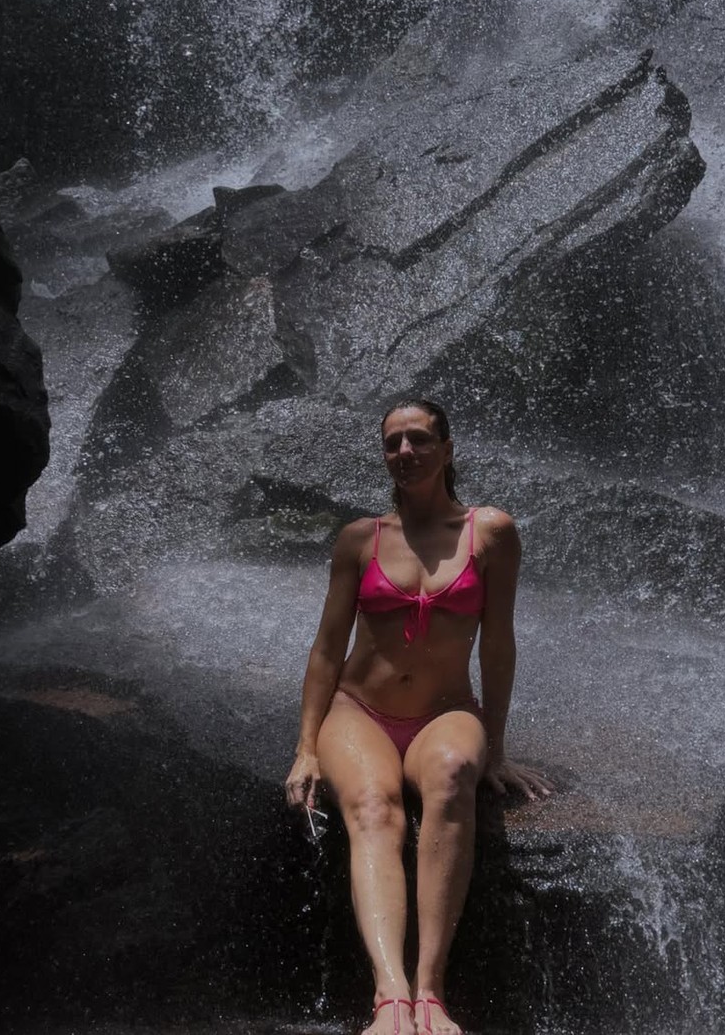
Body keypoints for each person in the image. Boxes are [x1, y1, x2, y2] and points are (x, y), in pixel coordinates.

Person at [285, 398, 550, 1035]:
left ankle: (431, 991)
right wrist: (305, 747)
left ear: (447, 448)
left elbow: (499, 642)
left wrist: (499, 747)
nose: (405, 453)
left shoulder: (490, 532)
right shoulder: (360, 539)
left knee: (456, 771)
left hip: (447, 710)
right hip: (361, 710)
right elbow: (327, 648)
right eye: (393, 443)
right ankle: (390, 997)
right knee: (374, 807)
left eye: (419, 440)